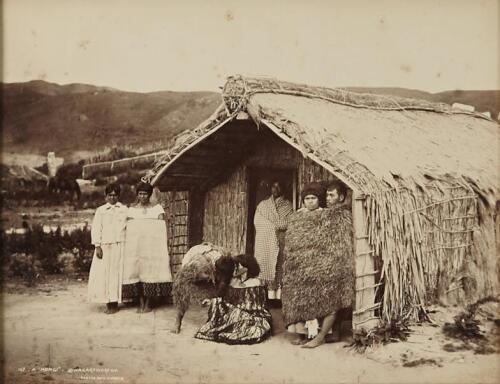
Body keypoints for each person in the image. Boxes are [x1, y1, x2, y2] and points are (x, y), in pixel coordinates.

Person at [282, 181, 355, 348]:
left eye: (313, 198)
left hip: (325, 266)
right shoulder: (297, 217)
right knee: (300, 296)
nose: (310, 201)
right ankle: (305, 333)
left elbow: (334, 244)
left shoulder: (329, 216)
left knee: (326, 298)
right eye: (306, 198)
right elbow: (293, 242)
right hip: (302, 266)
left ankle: (321, 335)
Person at [195, 254, 272, 345]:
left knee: (252, 328)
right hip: (234, 312)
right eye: (235, 265)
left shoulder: (256, 282)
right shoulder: (232, 281)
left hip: (253, 313)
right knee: (226, 317)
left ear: (247, 268)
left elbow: (257, 306)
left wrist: (238, 310)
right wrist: (212, 302)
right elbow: (226, 301)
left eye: (239, 265)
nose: (235, 268)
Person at [122, 182, 172, 313]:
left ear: (149, 195)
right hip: (136, 248)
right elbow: (130, 229)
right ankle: (140, 302)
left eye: (145, 194)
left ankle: (149, 303)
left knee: (151, 273)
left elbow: (161, 229)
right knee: (137, 271)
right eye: (140, 194)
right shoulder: (132, 210)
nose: (142, 196)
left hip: (152, 248)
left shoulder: (157, 209)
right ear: (137, 195)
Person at [88, 183, 128, 314]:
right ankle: (108, 302)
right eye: (110, 195)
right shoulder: (101, 211)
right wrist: (97, 246)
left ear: (118, 196)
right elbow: (96, 228)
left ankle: (115, 302)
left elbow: (128, 226)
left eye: (115, 195)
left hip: (119, 245)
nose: (112, 197)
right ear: (106, 196)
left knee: (116, 274)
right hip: (105, 246)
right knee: (104, 274)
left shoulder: (124, 209)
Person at [253, 180, 293, 302]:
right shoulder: (263, 205)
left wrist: (276, 225)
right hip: (266, 242)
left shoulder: (288, 205)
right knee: (267, 266)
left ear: (283, 189)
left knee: (280, 266)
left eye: (279, 186)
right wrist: (274, 226)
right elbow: (258, 222)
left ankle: (279, 298)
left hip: (282, 241)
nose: (276, 189)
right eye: (273, 186)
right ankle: (269, 297)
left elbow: (290, 222)